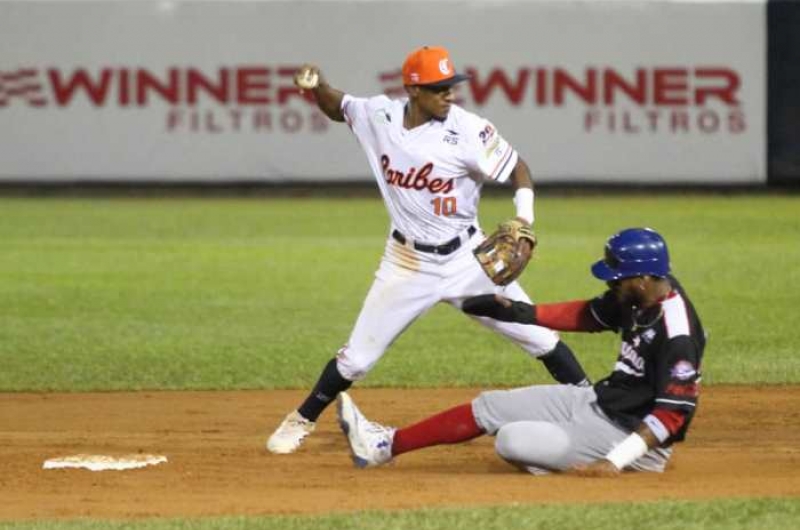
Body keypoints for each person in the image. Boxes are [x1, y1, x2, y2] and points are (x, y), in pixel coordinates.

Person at [267, 46, 589, 455]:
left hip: (468, 260)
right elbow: (340, 108)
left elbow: (518, 168)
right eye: (438, 89)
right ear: (413, 91)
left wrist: (523, 220)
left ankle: (594, 403)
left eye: (451, 86)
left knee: (540, 337)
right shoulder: (380, 116)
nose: (449, 95)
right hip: (406, 262)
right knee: (357, 359)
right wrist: (317, 87)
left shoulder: (469, 130)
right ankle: (301, 419)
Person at [336, 228, 706, 476]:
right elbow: (589, 315)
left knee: (511, 439)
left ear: (641, 278)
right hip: (598, 401)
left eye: (615, 276)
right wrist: (517, 312)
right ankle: (384, 445)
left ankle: (577, 455)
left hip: (629, 438)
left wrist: (615, 461)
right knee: (490, 407)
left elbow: (672, 416)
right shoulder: (641, 292)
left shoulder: (679, 335)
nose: (610, 282)